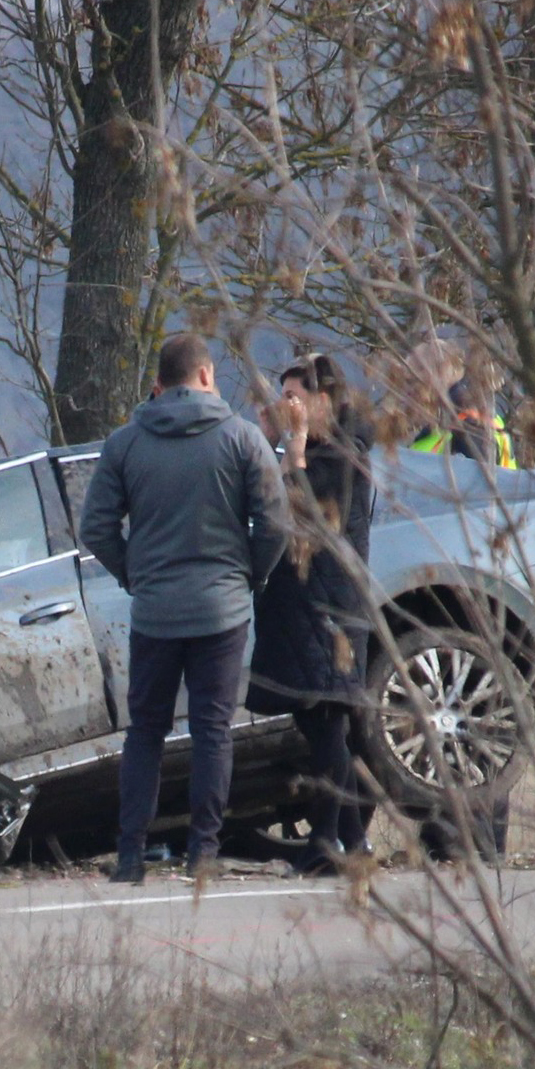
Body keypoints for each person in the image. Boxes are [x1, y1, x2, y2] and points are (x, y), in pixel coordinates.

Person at [79, 333, 290, 883]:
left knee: (145, 732)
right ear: (203, 376)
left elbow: (95, 527)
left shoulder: (124, 444)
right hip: (222, 609)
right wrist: (252, 574)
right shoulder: (243, 439)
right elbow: (275, 523)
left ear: (160, 382)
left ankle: (130, 858)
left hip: (154, 612)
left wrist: (133, 573)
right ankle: (202, 854)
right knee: (213, 729)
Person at [248, 354, 376, 875]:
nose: (288, 408)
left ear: (324, 399)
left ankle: (326, 843)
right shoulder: (316, 450)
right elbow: (271, 506)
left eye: (295, 397)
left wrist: (293, 447)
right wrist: (273, 444)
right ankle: (352, 842)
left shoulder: (347, 457)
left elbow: (309, 516)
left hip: (331, 608)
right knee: (320, 724)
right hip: (303, 606)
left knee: (326, 723)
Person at [399, 338, 517, 468]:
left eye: (411, 381)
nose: (406, 391)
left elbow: (479, 483)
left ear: (436, 377)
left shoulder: (469, 426)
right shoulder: (448, 422)